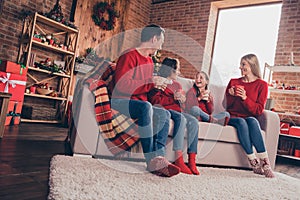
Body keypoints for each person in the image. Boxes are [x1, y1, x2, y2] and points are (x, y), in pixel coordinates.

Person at [111, 24, 180, 177]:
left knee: (164, 114)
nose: (161, 46)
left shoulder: (149, 61)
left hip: (139, 103)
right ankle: (150, 160)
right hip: (120, 100)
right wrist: (150, 82)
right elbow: (122, 86)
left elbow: (145, 91)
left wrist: (157, 88)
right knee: (145, 107)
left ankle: (160, 159)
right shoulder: (128, 56)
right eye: (161, 41)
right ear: (154, 39)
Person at [223, 53, 275, 178]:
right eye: (240, 65)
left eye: (243, 64)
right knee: (241, 122)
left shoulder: (261, 85)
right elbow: (226, 106)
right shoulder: (233, 82)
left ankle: (265, 162)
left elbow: (258, 110)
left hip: (249, 117)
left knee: (252, 120)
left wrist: (245, 98)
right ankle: (253, 161)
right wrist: (230, 95)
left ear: (252, 65)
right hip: (233, 117)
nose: (240, 67)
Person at [148, 57, 200, 175]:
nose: (179, 72)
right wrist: (172, 98)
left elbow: (182, 104)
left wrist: (182, 100)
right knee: (181, 118)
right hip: (166, 110)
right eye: (177, 69)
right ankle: (178, 159)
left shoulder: (177, 84)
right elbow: (155, 101)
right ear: (171, 70)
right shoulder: (159, 81)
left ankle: (192, 160)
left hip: (177, 110)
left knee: (194, 121)